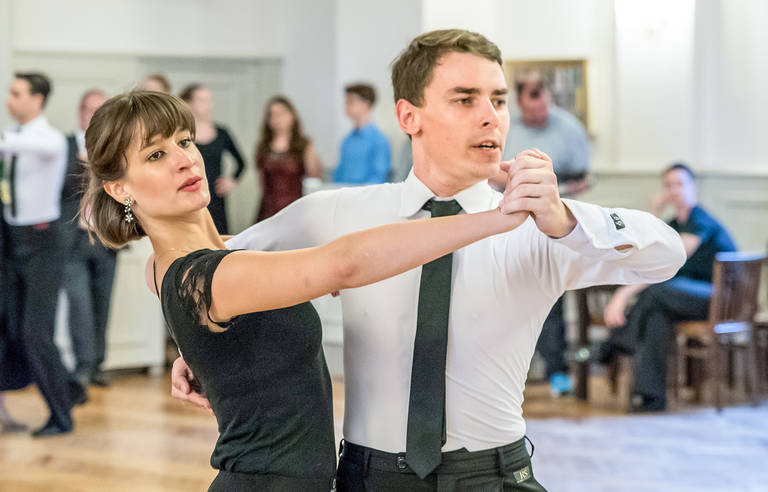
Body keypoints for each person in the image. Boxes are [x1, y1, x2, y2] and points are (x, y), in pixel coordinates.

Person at [172, 29, 686, 491]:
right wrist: (203, 349)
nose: (490, 115)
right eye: (465, 99)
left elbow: (663, 255)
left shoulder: (538, 228)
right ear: (407, 116)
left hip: (494, 477)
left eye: (498, 99)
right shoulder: (341, 213)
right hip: (367, 478)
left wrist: (567, 220)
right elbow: (218, 267)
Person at [82, 89, 531, 490]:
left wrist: (198, 357)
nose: (185, 159)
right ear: (120, 188)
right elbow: (344, 263)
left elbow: (229, 312)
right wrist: (495, 219)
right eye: (155, 156)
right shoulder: (212, 278)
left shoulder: (167, 270)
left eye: (183, 141)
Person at [596, 162, 737, 412]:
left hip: (722, 300)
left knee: (656, 291)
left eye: (680, 184)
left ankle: (614, 344)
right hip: (688, 298)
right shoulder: (673, 224)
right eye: (669, 185)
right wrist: (655, 211)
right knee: (655, 315)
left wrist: (622, 294)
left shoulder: (699, 219)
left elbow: (676, 257)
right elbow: (649, 257)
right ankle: (652, 398)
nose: (674, 190)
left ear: (693, 188)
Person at [0, 72, 86, 437]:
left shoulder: (49, 139)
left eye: (17, 94)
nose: (9, 100)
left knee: (37, 332)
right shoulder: (16, 138)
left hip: (44, 243)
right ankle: (67, 391)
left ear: (38, 99)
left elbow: (31, 150)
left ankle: (62, 414)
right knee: (17, 329)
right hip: (13, 241)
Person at [497, 71, 593, 397]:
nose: (538, 115)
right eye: (531, 110)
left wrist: (553, 190)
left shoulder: (568, 128)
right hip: (513, 225)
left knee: (551, 299)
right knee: (508, 298)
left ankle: (557, 371)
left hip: (558, 226)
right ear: (520, 103)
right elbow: (494, 176)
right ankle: (509, 373)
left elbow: (583, 179)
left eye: (543, 109)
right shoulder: (506, 129)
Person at [60, 88, 116, 388]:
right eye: (90, 109)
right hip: (74, 239)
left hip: (106, 239)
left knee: (102, 303)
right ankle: (81, 368)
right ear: (80, 112)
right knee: (79, 305)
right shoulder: (65, 145)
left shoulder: (114, 150)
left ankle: (96, 365)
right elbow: (58, 191)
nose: (94, 115)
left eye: (101, 109)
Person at [179, 84, 245, 234]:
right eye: (202, 100)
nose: (209, 105)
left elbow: (242, 163)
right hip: (188, 196)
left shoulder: (222, 132)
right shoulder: (180, 135)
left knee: (218, 239)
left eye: (209, 100)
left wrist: (231, 181)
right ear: (190, 103)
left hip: (215, 198)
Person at [255, 95, 323, 221]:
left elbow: (314, 177)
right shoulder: (263, 147)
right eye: (272, 115)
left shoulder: (304, 145)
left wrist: (310, 152)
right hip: (268, 211)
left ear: (292, 116)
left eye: (281, 114)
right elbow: (261, 182)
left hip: (296, 210)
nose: (276, 119)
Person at [332, 83, 391, 184]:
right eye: (346, 101)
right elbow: (339, 174)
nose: (346, 105)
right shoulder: (347, 140)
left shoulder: (379, 140)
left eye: (351, 101)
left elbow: (379, 176)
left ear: (367, 104)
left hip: (367, 196)